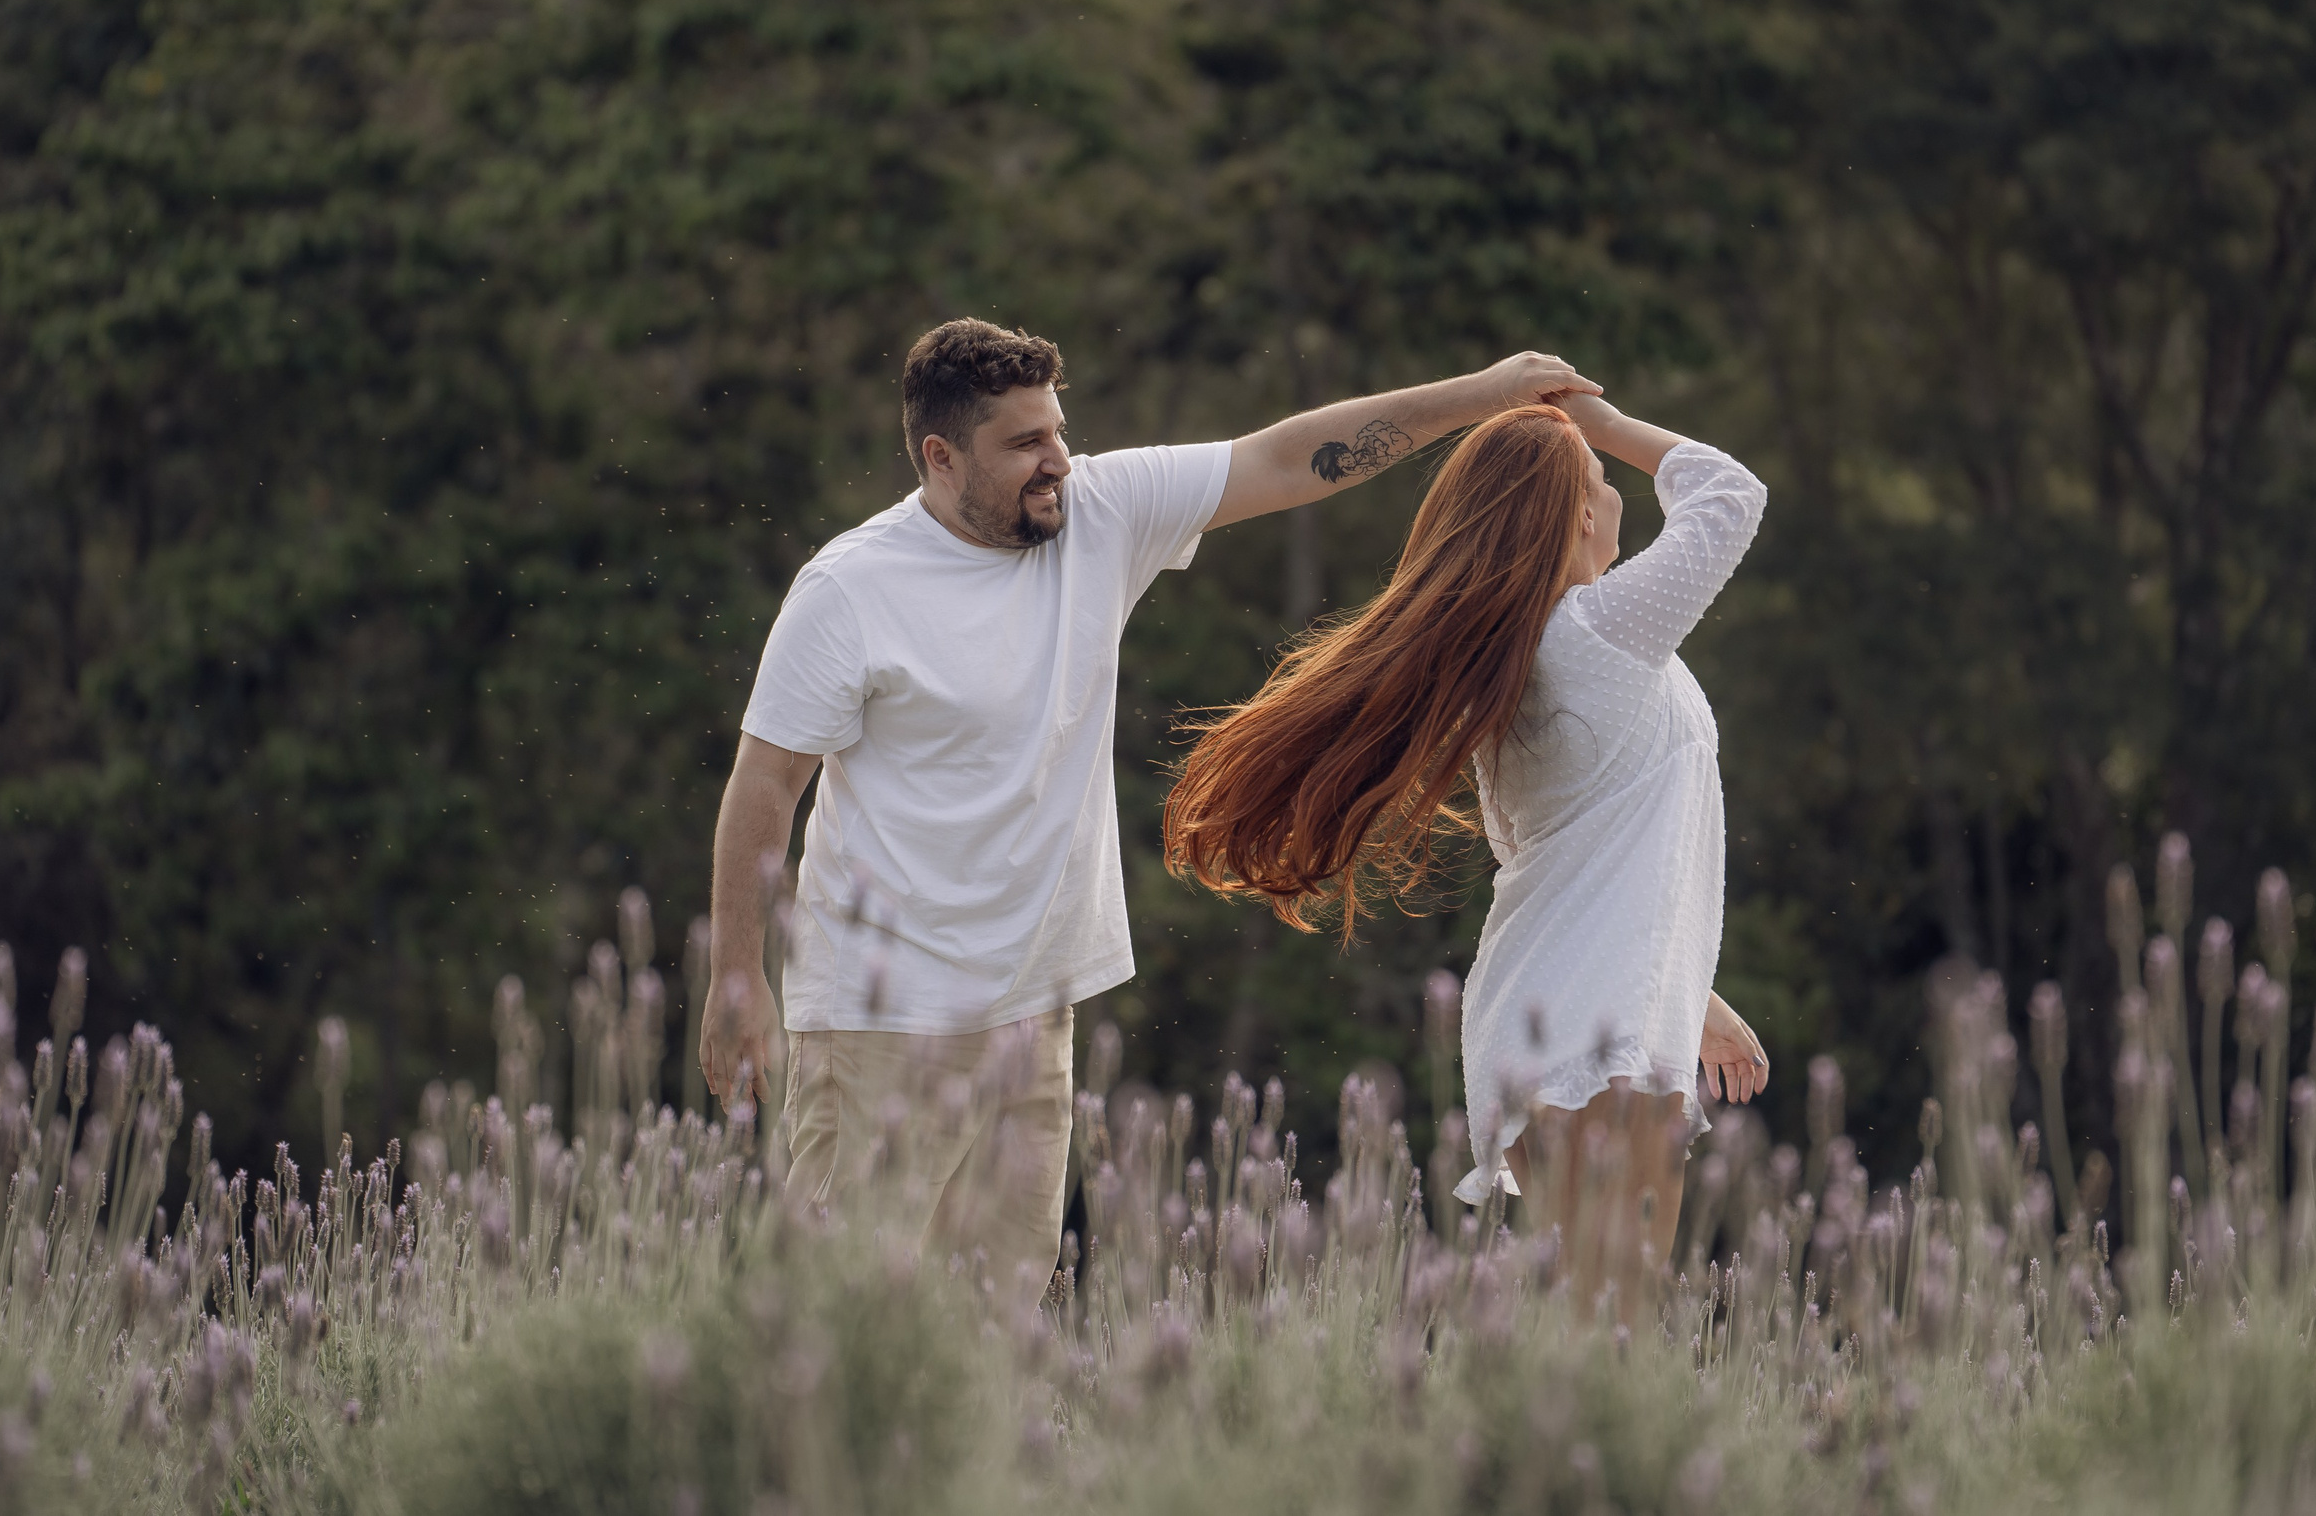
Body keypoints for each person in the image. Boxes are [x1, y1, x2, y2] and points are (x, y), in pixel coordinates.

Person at [700, 317, 1597, 1302]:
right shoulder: (849, 589)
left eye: (1057, 431)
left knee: (996, 1318)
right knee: (840, 1317)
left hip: (1028, 1018)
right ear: (939, 456)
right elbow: (765, 786)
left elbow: (1287, 459)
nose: (1056, 462)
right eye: (1023, 445)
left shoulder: (1100, 513)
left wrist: (1481, 393)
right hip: (881, 1021)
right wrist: (737, 976)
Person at [1161, 391, 1771, 1314]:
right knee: (1613, 1329)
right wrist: (1591, 424)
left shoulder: (1524, 661)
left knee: (1599, 1318)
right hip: (1591, 1028)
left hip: (1562, 1014)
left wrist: (1701, 1002)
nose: (1619, 497)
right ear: (1572, 514)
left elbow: (1563, 855)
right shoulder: (1597, 631)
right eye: (1603, 485)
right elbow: (1727, 493)